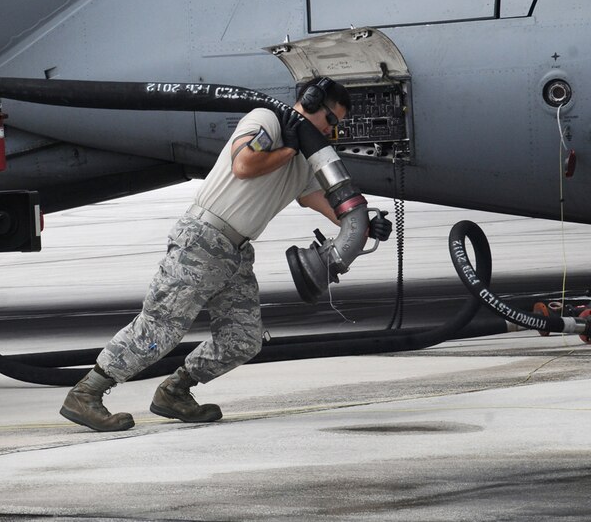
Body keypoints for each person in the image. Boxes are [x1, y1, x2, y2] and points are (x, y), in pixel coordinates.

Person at [59, 77, 392, 432]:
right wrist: (290, 148)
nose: (332, 131)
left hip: (235, 251)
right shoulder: (268, 121)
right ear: (310, 103)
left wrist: (367, 223)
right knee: (161, 327)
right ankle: (86, 393)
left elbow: (321, 201)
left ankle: (176, 391)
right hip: (201, 239)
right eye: (331, 120)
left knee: (243, 338)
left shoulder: (305, 160)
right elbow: (244, 165)